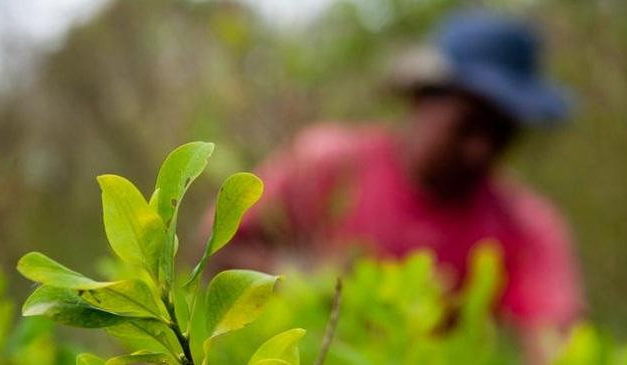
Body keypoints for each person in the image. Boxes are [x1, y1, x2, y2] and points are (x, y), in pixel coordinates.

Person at [217, 10, 582, 364]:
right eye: (468, 125)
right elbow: (218, 249)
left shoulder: (526, 227)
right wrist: (310, 288)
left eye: (502, 133)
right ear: (423, 98)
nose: (481, 150)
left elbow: (554, 340)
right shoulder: (326, 165)